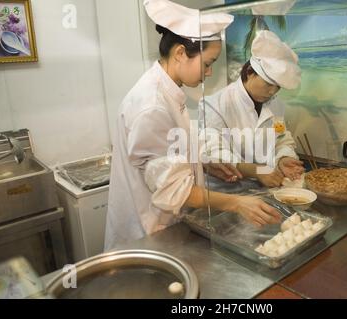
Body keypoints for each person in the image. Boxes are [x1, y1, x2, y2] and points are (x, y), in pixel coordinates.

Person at [105, 0, 281, 250]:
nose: (209, 73)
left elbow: (167, 158)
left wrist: (205, 165)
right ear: (180, 53)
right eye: (208, 63)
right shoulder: (152, 106)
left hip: (163, 225)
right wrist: (237, 203)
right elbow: (175, 191)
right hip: (147, 233)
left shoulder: (167, 93)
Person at [202, 30, 305, 188]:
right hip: (225, 191)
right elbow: (214, 154)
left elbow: (280, 139)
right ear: (250, 72)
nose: (272, 92)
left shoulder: (275, 104)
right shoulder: (215, 104)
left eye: (277, 87)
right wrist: (257, 171)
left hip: (261, 189)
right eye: (268, 84)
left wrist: (283, 158)